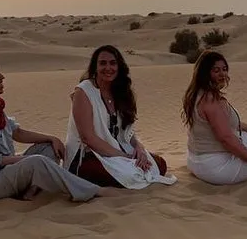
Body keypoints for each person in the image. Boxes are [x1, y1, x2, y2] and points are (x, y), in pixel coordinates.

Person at [0, 55, 116, 204]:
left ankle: (30, 191)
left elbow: (17, 133)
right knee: (37, 161)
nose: (2, 77)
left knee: (49, 148)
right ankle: (92, 191)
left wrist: (51, 139)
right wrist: (26, 160)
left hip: (6, 173)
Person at [63, 45, 177, 189]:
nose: (108, 68)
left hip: (117, 151)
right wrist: (125, 157)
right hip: (87, 157)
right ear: (95, 67)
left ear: (119, 66)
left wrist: (140, 149)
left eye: (113, 63)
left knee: (159, 164)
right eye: (102, 63)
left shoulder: (120, 91)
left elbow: (128, 132)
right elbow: (88, 138)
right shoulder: (84, 91)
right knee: (130, 174)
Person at [182, 50, 247, 185]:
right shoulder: (210, 101)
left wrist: (246, 128)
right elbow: (225, 138)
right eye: (216, 70)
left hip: (195, 161)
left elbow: (222, 126)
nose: (222, 74)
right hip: (215, 167)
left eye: (224, 69)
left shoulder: (196, 95)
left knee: (245, 135)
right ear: (205, 73)